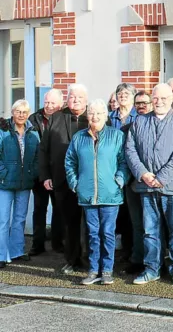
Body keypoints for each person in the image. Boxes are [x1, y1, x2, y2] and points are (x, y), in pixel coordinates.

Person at [125, 83, 173, 286]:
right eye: (156, 98)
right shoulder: (139, 121)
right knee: (150, 230)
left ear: (171, 99)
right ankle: (152, 268)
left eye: (164, 98)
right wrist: (143, 174)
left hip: (172, 187)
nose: (159, 102)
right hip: (146, 187)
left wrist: (161, 177)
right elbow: (130, 150)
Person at [64, 99, 128, 285]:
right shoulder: (79, 137)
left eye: (99, 113)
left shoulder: (116, 136)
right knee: (92, 233)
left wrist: (120, 180)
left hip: (110, 194)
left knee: (108, 233)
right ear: (87, 116)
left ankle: (107, 270)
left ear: (106, 115)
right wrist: (75, 183)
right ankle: (93, 270)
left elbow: (124, 161)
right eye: (92, 113)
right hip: (87, 194)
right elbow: (70, 162)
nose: (95, 116)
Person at [39, 83, 90, 274]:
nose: (75, 100)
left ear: (86, 99)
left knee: (90, 223)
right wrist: (45, 176)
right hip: (61, 180)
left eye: (79, 97)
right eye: (71, 97)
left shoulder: (94, 116)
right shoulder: (56, 118)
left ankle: (89, 260)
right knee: (69, 223)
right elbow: (43, 149)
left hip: (88, 181)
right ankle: (71, 259)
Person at [0, 100, 39, 266]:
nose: (21, 115)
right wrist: (3, 172)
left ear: (28, 113)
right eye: (18, 111)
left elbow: (37, 157)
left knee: (20, 218)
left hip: (24, 183)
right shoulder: (3, 131)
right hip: (5, 182)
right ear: (12, 112)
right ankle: (2, 255)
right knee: (3, 220)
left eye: (24, 112)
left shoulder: (33, 133)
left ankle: (17, 250)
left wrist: (33, 173)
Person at [121, 89, 153, 275]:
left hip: (153, 183)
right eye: (138, 103)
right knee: (137, 224)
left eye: (145, 103)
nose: (141, 106)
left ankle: (154, 260)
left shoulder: (157, 126)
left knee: (153, 224)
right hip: (133, 183)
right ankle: (137, 259)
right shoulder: (126, 129)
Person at [29, 89, 64, 256]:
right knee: (39, 208)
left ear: (60, 104)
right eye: (46, 102)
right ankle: (38, 244)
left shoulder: (65, 118)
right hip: (40, 172)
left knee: (59, 209)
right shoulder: (34, 119)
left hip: (58, 172)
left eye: (53, 103)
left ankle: (58, 244)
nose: (49, 106)